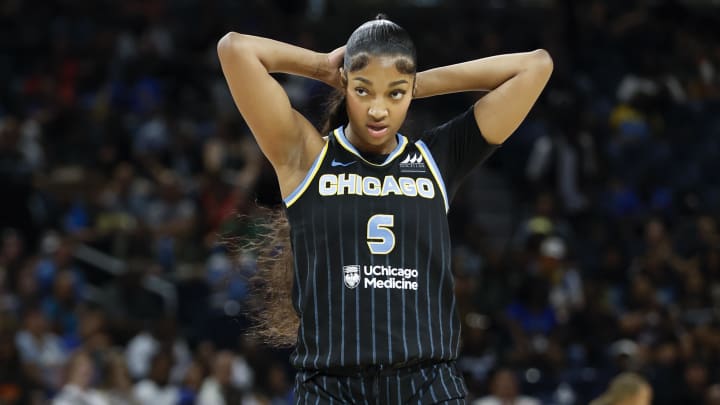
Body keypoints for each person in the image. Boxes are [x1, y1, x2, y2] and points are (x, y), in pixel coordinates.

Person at [217, 13, 552, 403]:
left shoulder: (438, 160)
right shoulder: (306, 156)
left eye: (394, 94)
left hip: (428, 385)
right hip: (331, 387)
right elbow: (235, 49)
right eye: (363, 91)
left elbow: (536, 65)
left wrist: (414, 83)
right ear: (346, 86)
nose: (378, 109)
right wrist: (325, 67)